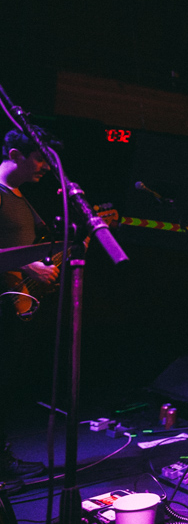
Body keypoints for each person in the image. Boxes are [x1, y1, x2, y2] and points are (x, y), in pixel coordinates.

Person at [0, 128, 61, 484]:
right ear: (14, 154)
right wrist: (27, 265)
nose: (45, 167)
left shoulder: (22, 198)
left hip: (14, 304)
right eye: (39, 158)